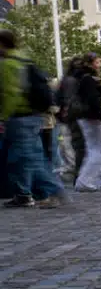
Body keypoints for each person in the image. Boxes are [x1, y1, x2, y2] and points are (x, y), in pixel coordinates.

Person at [0, 29, 65, 208]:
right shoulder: (24, 59)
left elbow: (11, 93)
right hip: (34, 115)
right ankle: (24, 193)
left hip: (19, 116)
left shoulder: (7, 64)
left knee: (28, 158)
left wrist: (4, 117)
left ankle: (54, 190)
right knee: (28, 156)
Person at [72, 52, 101, 192]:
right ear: (91, 64)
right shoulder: (89, 79)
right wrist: (100, 114)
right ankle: (84, 181)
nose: (99, 65)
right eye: (97, 62)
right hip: (91, 117)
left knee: (93, 149)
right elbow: (93, 98)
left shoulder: (81, 77)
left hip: (85, 116)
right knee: (97, 151)